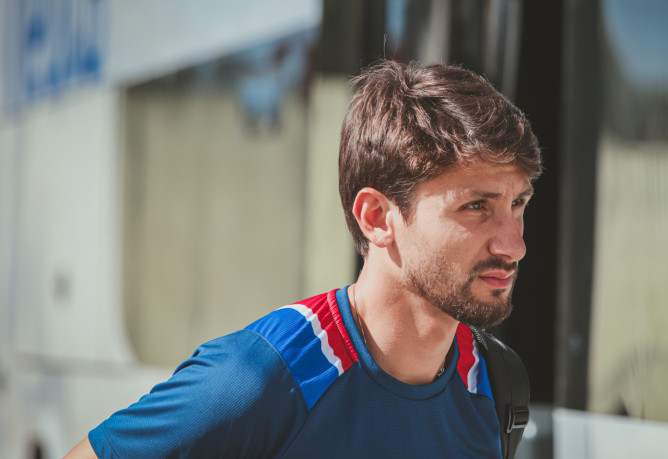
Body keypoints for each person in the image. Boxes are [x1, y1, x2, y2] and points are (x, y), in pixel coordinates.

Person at [66, 59, 541, 458]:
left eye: (517, 204)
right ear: (377, 217)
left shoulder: (496, 385)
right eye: (475, 207)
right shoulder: (258, 378)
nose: (513, 244)